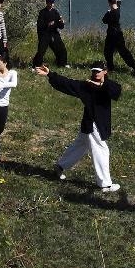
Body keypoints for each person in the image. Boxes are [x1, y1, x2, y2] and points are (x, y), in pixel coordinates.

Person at [35, 61, 122, 192]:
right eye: (94, 71)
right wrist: (50, 74)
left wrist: (100, 85)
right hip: (92, 124)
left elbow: (116, 91)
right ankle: (105, 184)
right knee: (101, 150)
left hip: (93, 124)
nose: (95, 73)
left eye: (98, 71)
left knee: (80, 146)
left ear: (105, 71)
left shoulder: (108, 86)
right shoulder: (86, 86)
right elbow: (67, 83)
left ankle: (60, 166)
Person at [102, 0, 135, 77]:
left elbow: (104, 20)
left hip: (113, 35)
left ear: (109, 3)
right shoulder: (117, 9)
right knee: (122, 52)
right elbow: (118, 4)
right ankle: (134, 67)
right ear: (115, 2)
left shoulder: (112, 13)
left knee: (109, 52)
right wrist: (118, 1)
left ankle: (112, 67)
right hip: (118, 35)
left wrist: (108, 11)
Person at [32, 0, 68, 69]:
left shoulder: (55, 12)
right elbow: (40, 25)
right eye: (49, 2)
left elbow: (60, 27)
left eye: (52, 2)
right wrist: (48, 24)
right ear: (46, 3)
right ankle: (36, 66)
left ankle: (62, 64)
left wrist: (62, 23)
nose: (51, 4)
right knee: (41, 51)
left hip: (54, 33)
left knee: (61, 49)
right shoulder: (42, 12)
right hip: (44, 34)